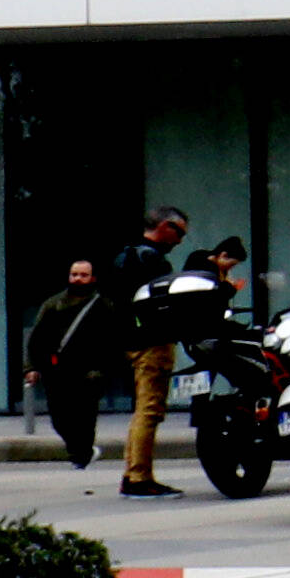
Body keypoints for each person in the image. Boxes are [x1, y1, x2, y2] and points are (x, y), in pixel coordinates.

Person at [115, 208, 202, 493]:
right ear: (165, 226)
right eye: (179, 233)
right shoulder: (153, 261)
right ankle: (139, 477)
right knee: (150, 410)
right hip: (153, 341)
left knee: (142, 409)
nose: (179, 241)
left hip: (131, 338)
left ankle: (132, 472)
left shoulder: (125, 256)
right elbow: (166, 305)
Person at [20, 257, 118, 473]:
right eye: (74, 274)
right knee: (59, 419)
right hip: (57, 370)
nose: (78, 279)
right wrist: (31, 368)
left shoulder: (103, 306)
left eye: (83, 275)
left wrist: (103, 370)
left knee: (85, 416)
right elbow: (36, 340)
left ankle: (80, 456)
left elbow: (111, 341)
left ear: (92, 278)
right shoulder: (53, 304)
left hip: (90, 373)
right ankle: (82, 452)